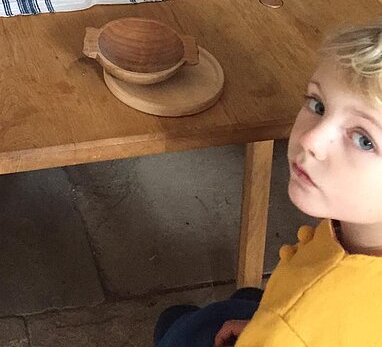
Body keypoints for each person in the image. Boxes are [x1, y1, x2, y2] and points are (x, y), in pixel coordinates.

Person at [153, 22, 382, 346]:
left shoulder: (290, 330)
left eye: (364, 140)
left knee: (178, 324)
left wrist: (272, 331)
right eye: (318, 105)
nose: (310, 139)